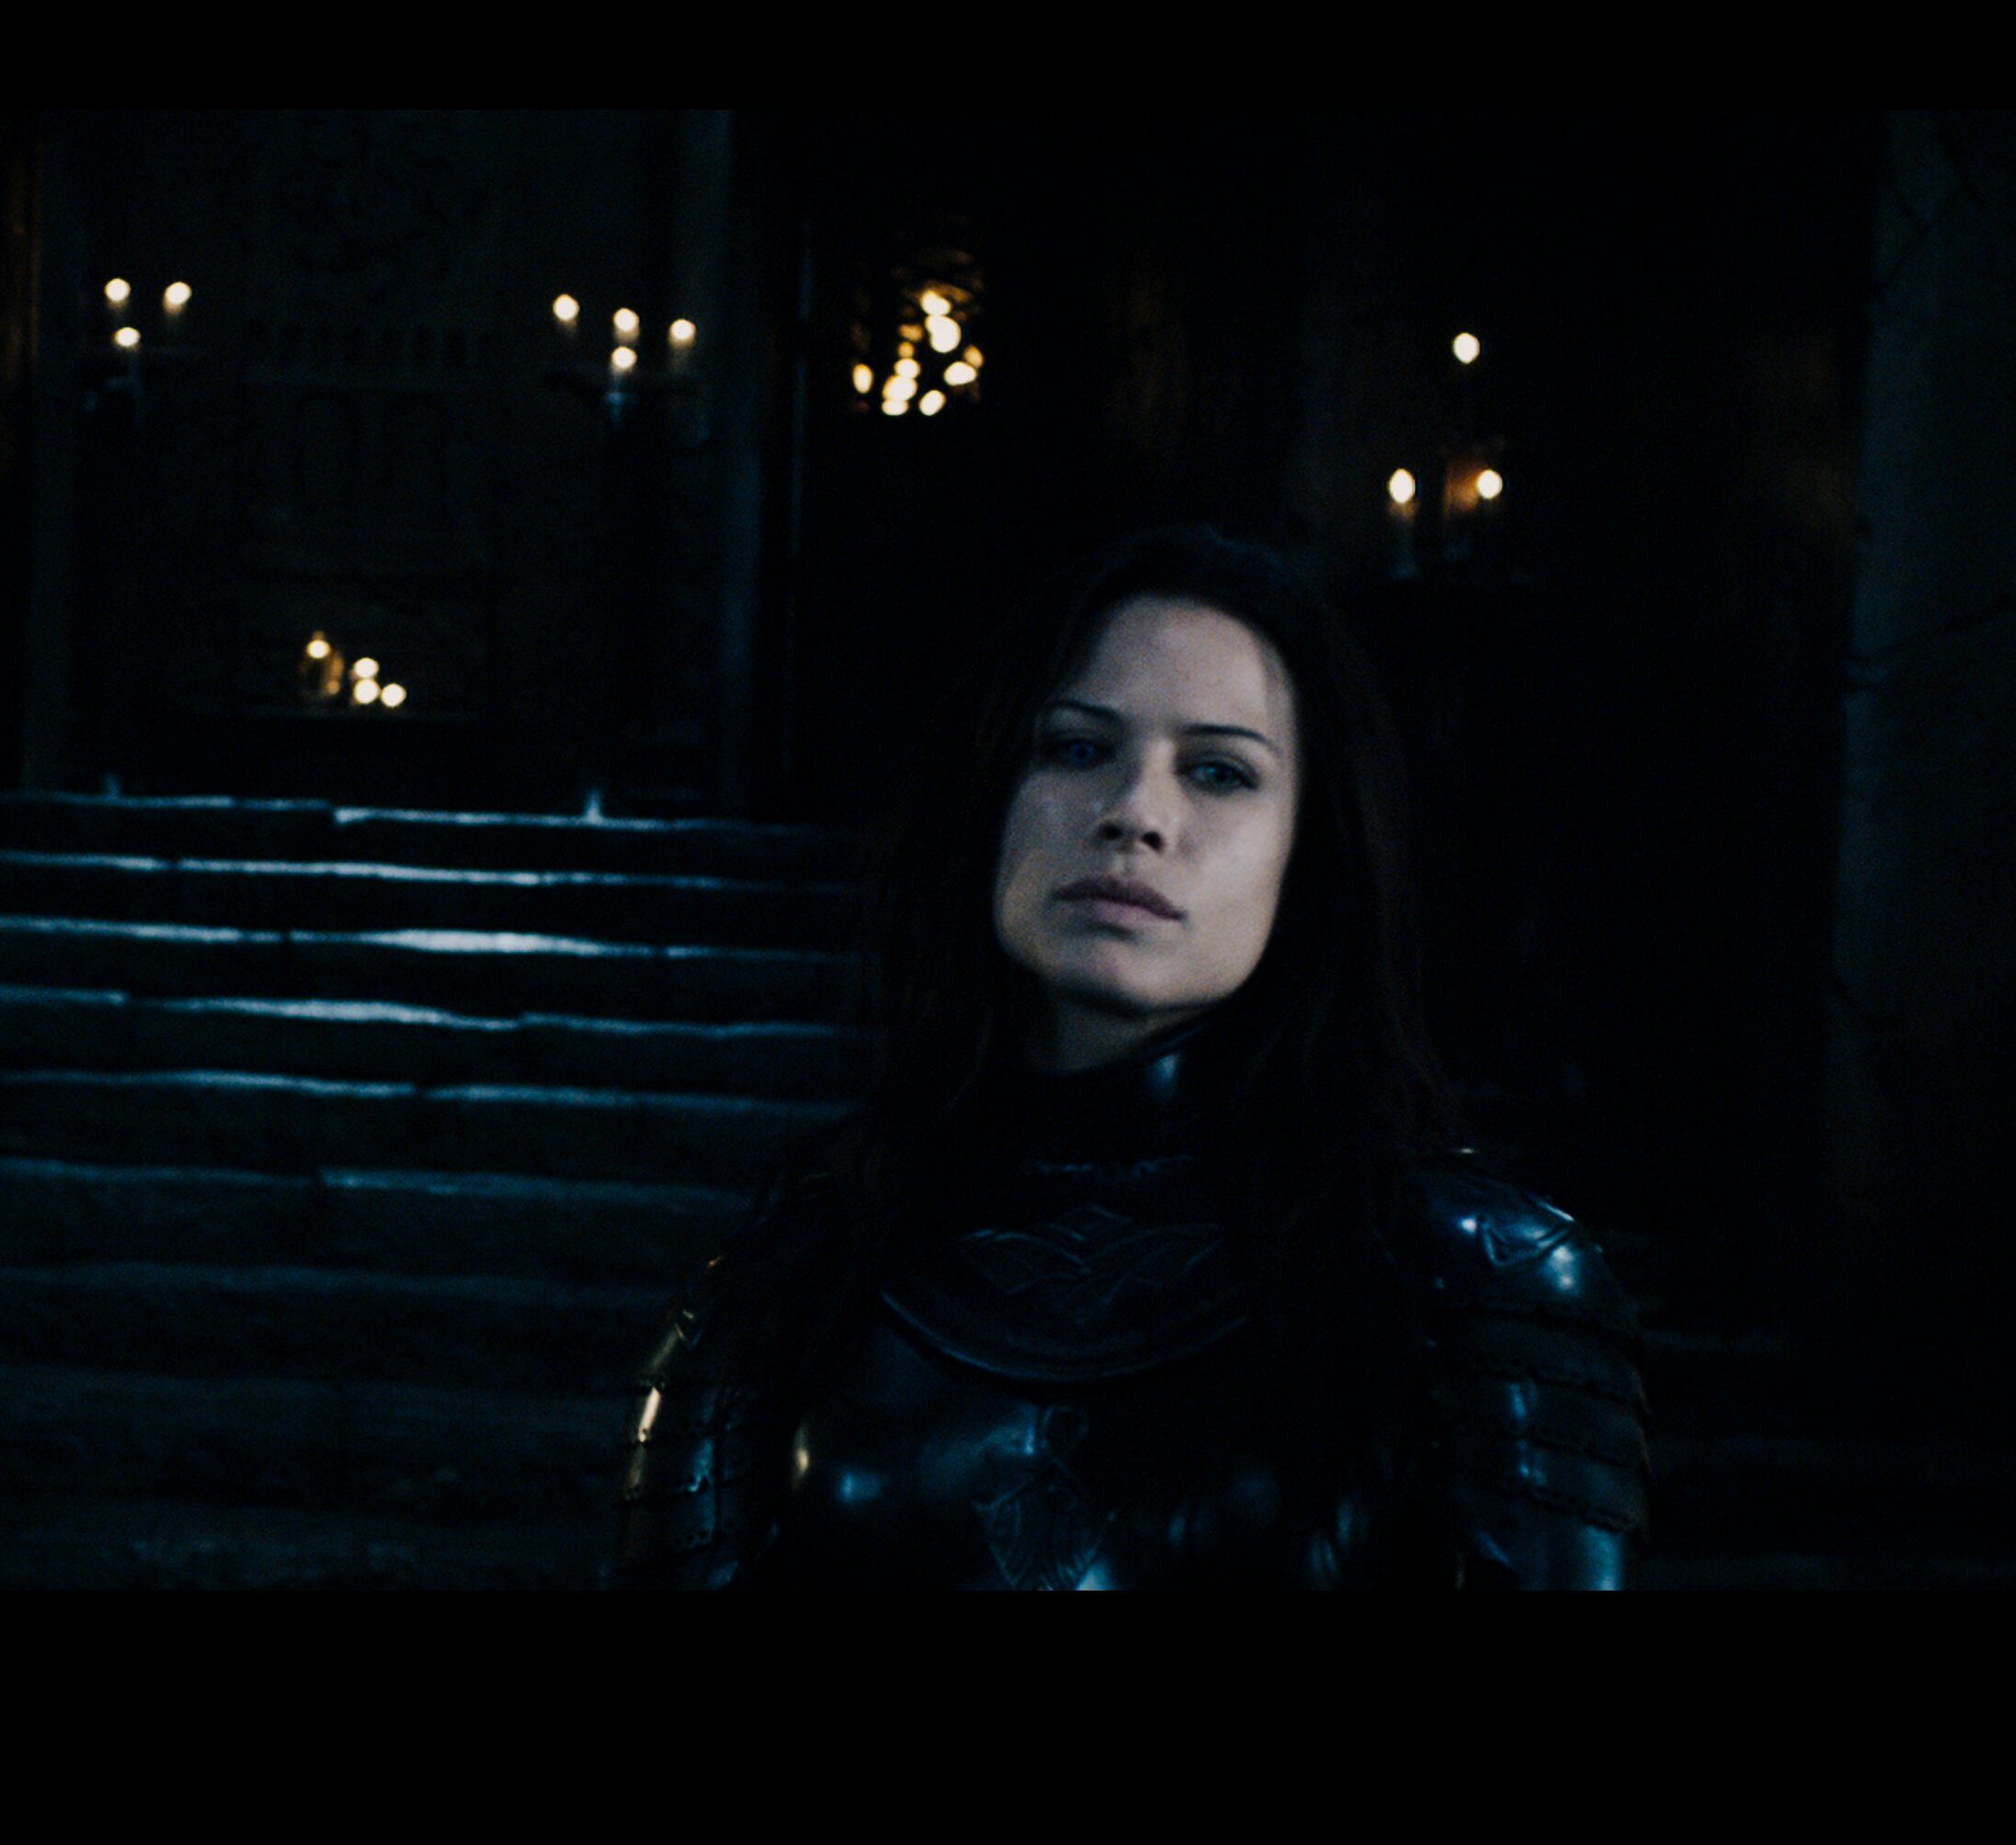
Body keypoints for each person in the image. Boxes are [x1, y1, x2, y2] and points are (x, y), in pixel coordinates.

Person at [609, 526, 1646, 1590]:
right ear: (992, 798)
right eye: (1077, 749)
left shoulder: (1477, 1276)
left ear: (1310, 851)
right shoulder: (797, 1260)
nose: (1135, 815)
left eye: (1219, 772)